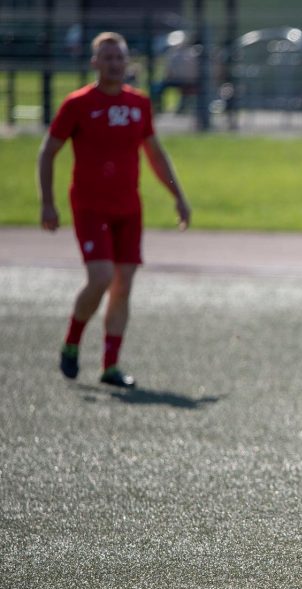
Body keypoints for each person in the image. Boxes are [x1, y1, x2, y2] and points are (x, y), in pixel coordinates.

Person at [38, 31, 192, 388]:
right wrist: (47, 201)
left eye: (120, 57)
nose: (114, 63)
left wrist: (177, 196)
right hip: (90, 207)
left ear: (128, 62)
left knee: (123, 285)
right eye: (107, 58)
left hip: (128, 208)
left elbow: (154, 152)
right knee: (101, 277)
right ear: (94, 63)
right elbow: (48, 152)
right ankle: (73, 341)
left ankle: (110, 366)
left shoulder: (138, 104)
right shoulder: (78, 104)